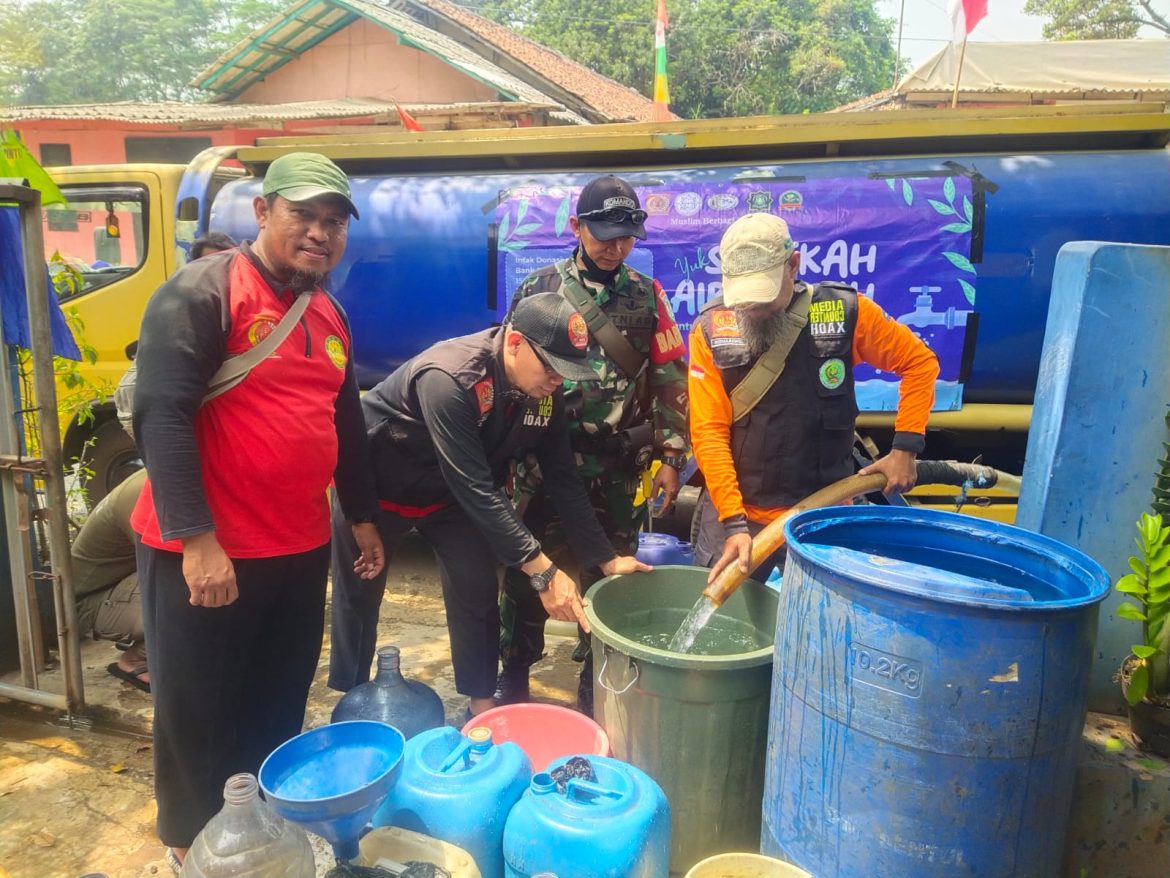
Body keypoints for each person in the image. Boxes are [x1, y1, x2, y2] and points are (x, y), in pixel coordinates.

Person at [130, 152, 384, 867]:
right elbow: (162, 413)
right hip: (210, 549)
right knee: (197, 710)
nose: (319, 233)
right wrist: (197, 540)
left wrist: (361, 516)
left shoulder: (328, 310)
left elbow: (344, 426)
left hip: (297, 548)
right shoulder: (204, 291)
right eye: (303, 215)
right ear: (262, 212)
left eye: (333, 222)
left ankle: (257, 834)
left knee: (275, 701)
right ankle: (189, 847)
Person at [329, 293, 652, 719]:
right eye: (551, 367)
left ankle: (482, 709)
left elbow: (562, 478)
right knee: (359, 596)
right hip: (377, 494)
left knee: (477, 590)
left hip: (448, 499)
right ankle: (349, 706)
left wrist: (605, 559)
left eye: (565, 372)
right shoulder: (451, 377)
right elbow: (476, 487)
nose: (557, 381)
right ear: (515, 342)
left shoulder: (544, 393)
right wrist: (543, 570)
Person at [497, 175, 690, 715]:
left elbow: (671, 374)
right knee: (526, 577)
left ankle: (594, 688)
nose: (616, 247)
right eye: (604, 234)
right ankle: (512, 673)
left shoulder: (647, 296)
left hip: (614, 469)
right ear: (577, 227)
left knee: (606, 577)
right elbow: (509, 368)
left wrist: (671, 457)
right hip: (541, 466)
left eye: (627, 237)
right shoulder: (540, 289)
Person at [689, 212, 940, 581]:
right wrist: (733, 523)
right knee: (724, 627)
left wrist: (905, 449)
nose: (753, 311)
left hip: (822, 517)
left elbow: (919, 363)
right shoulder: (712, 328)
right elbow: (709, 430)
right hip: (735, 519)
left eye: (763, 296)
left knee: (818, 630)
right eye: (744, 299)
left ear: (793, 265)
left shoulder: (844, 313)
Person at [72, 467, 149, 691]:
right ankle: (137, 659)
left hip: (121, 584)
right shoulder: (146, 490)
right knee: (203, 590)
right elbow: (173, 571)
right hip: (90, 603)